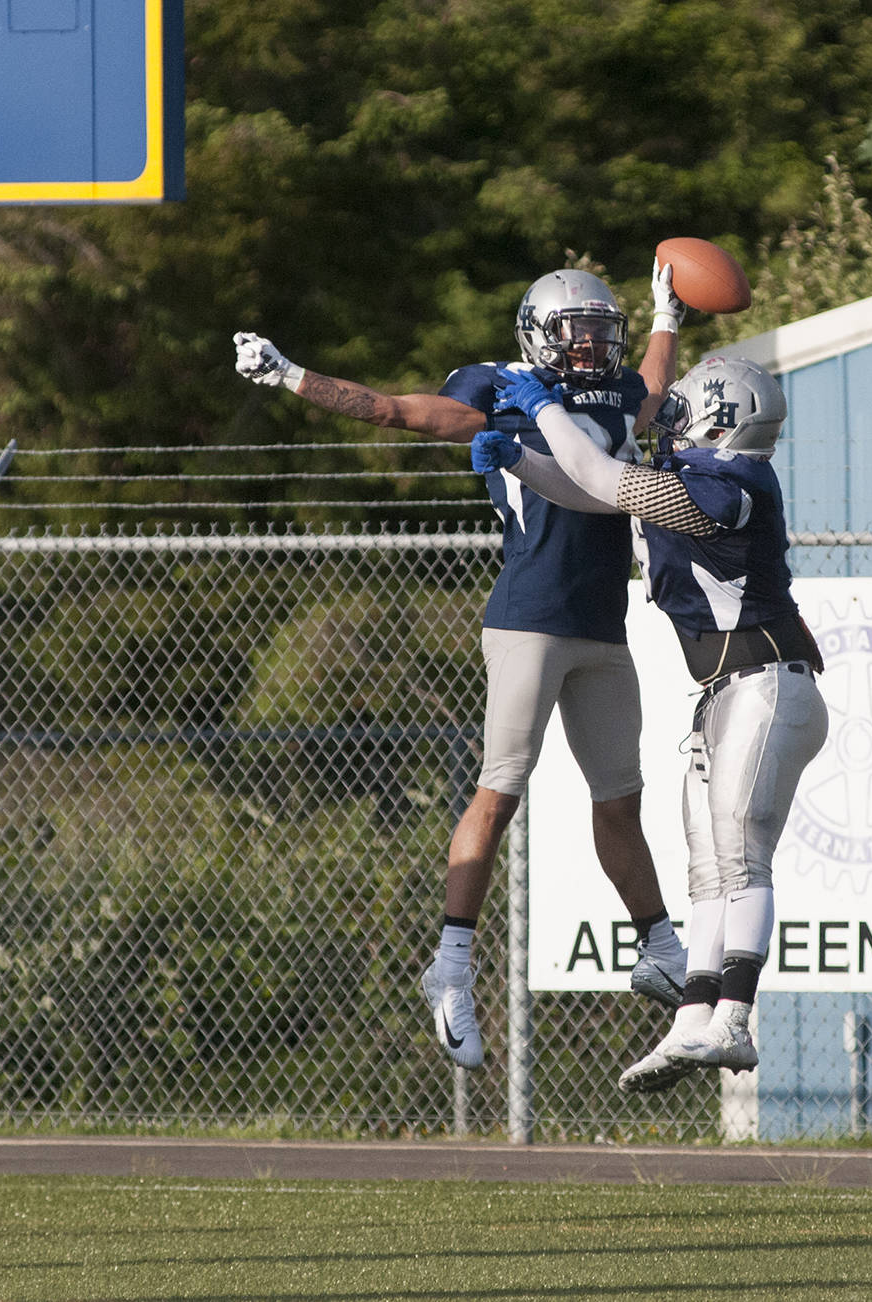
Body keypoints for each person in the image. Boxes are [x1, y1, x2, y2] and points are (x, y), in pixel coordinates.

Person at [232, 263, 688, 1071]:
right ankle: (449, 969)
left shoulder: (614, 388)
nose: (591, 344)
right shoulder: (502, 387)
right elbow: (396, 410)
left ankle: (658, 944)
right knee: (499, 789)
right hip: (530, 620)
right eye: (576, 330)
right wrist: (291, 375)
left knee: (620, 801)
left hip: (601, 626)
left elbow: (649, 390)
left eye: (600, 330)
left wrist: (667, 316)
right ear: (539, 332)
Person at [474, 352, 828, 1091]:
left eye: (682, 407)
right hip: (726, 690)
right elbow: (593, 493)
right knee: (705, 872)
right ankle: (692, 1022)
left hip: (766, 682)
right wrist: (521, 461)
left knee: (738, 857)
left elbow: (605, 478)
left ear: (719, 414)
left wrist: (543, 412)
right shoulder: (696, 480)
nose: (667, 419)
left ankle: (733, 1019)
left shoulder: (731, 484)